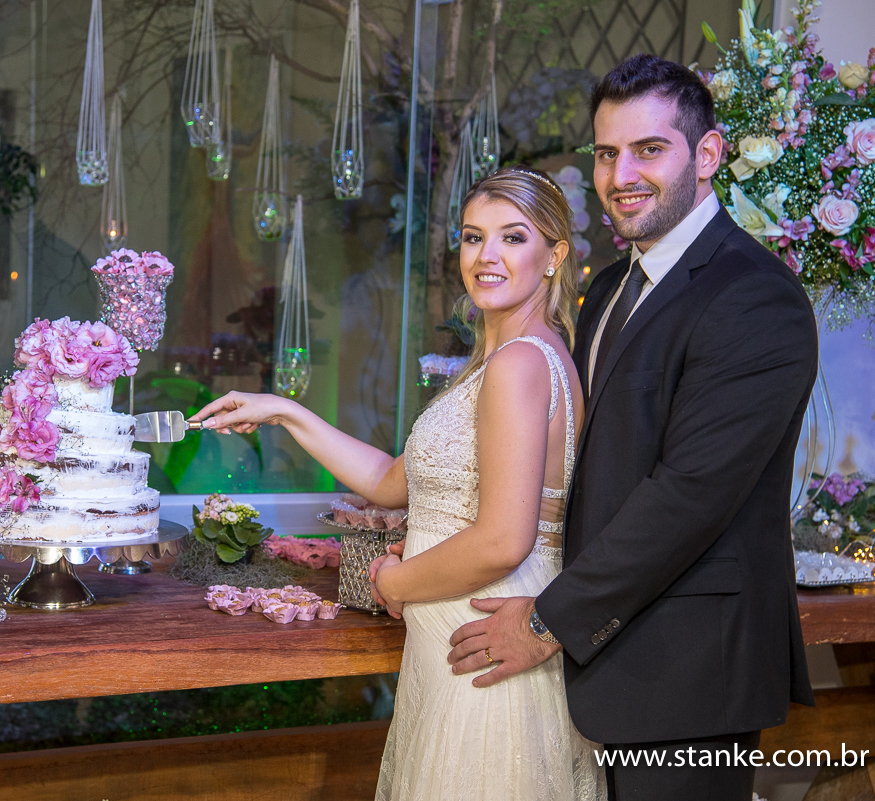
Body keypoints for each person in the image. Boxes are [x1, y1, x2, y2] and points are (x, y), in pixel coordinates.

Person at [445, 54, 818, 801]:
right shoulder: (611, 286)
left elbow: (687, 498)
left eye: (650, 150)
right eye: (608, 153)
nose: (622, 176)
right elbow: (580, 459)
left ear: (707, 155)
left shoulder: (756, 297)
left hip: (685, 671)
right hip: (597, 659)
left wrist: (547, 622)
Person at [190, 167, 606, 800]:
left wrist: (393, 582)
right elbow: (390, 483)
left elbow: (502, 539)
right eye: (473, 237)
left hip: (481, 642)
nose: (486, 255)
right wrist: (284, 410)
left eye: (512, 237)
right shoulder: (505, 360)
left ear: (554, 256)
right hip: (451, 641)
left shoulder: (521, 364)